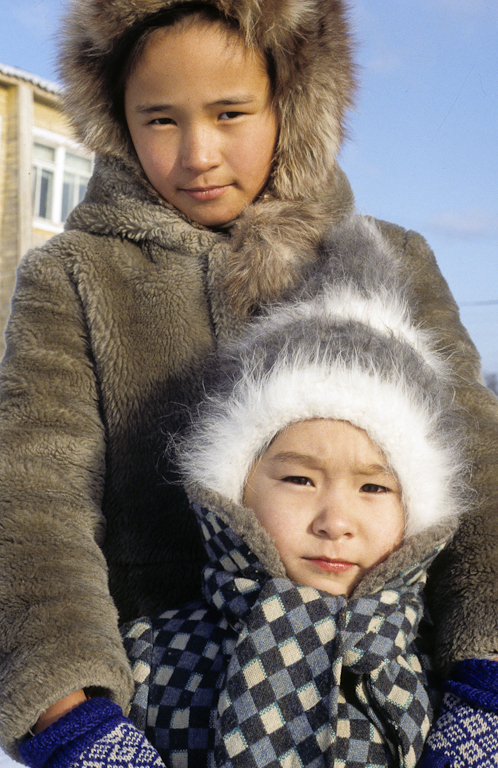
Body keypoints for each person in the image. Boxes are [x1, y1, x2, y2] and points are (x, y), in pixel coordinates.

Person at [0, 0, 497, 762]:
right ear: (114, 118)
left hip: (393, 703)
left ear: (293, 102)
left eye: (231, 112)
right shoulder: (73, 277)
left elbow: (478, 468)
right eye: (160, 119)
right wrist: (76, 719)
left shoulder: (393, 260)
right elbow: (33, 500)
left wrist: (483, 684)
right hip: (159, 715)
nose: (198, 152)